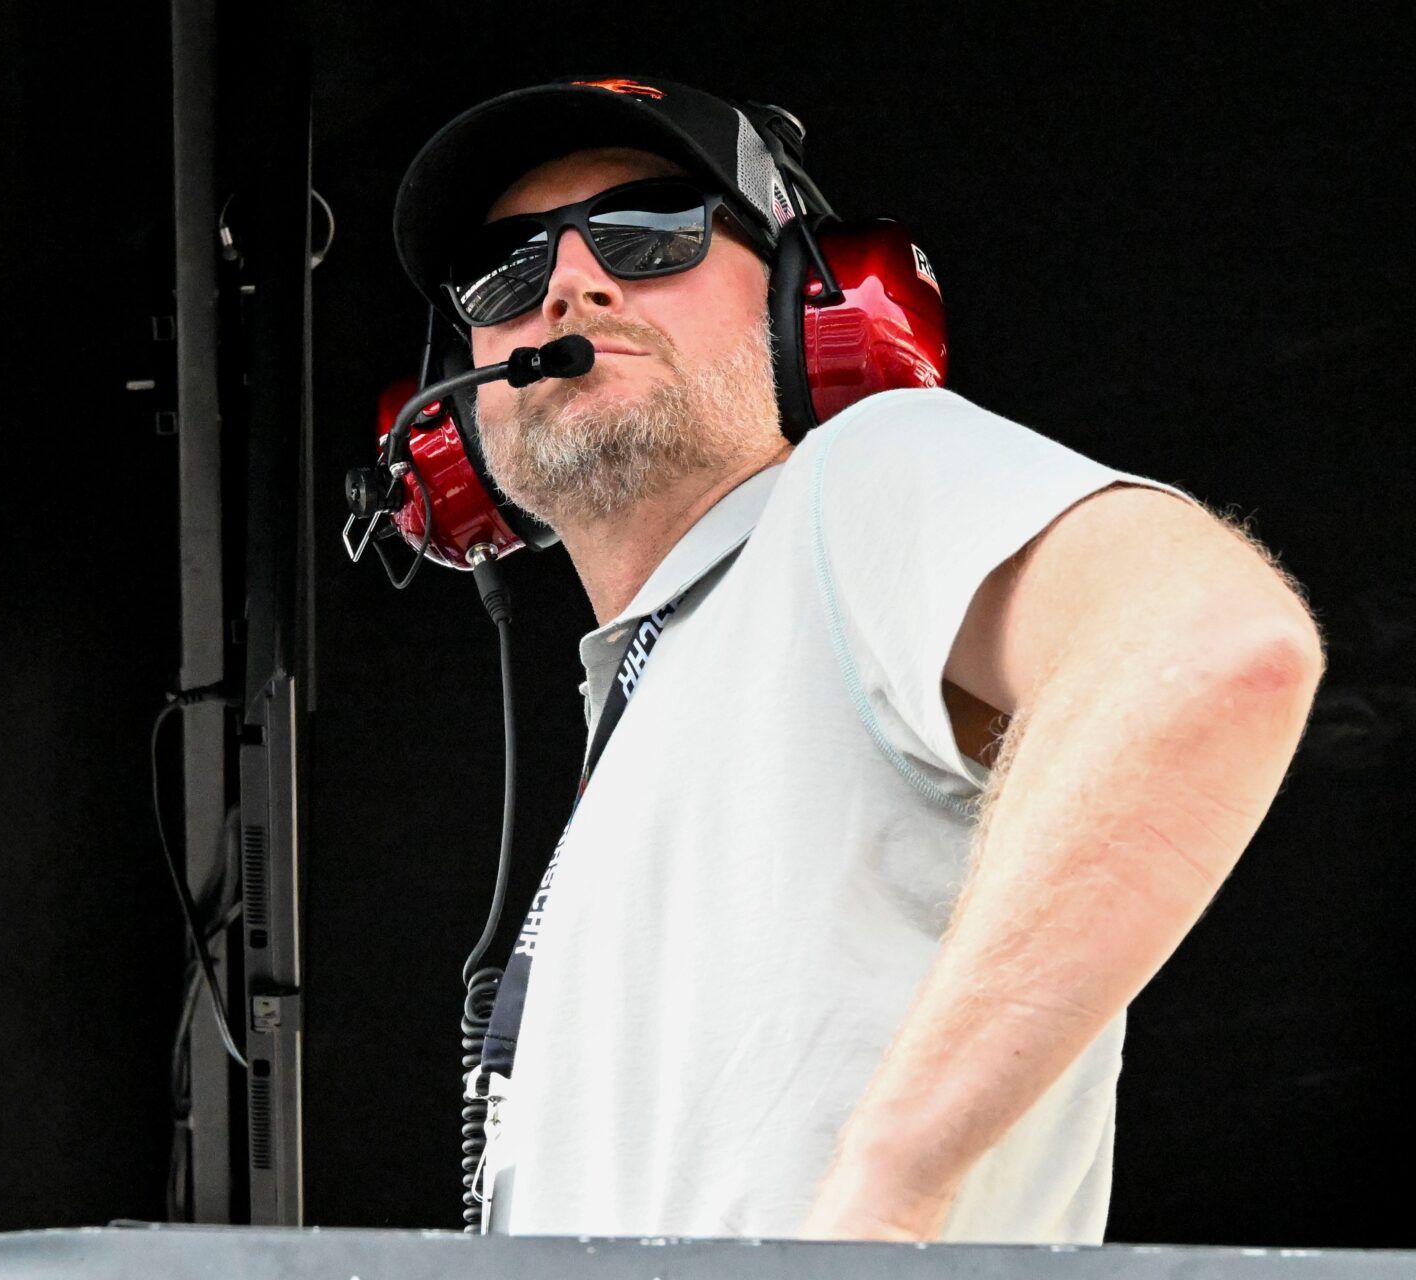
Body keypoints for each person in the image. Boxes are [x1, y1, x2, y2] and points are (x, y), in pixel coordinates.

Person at [388, 76, 1325, 1245]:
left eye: (653, 229)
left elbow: (1210, 648)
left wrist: (887, 1191)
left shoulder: (861, 479)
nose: (571, 282)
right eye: (507, 269)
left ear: (809, 303)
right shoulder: (652, 691)